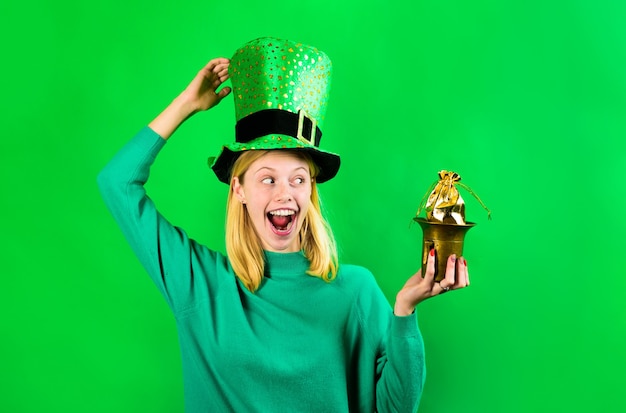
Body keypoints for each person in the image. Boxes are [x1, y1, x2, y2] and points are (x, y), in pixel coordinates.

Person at [97, 37, 470, 413]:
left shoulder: (357, 292)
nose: (285, 194)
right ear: (238, 188)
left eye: (298, 179)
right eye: (268, 178)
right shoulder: (199, 283)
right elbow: (117, 182)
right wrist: (187, 104)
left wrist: (404, 313)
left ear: (311, 190)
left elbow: (396, 409)